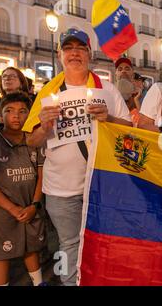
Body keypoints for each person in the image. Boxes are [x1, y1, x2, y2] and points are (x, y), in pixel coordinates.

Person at [23, 28, 131, 286]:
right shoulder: (47, 93)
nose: (74, 53)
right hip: (61, 190)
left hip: (102, 185)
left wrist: (110, 119)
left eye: (80, 48)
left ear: (89, 54)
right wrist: (44, 126)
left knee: (104, 241)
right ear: (60, 55)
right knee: (69, 244)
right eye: (68, 48)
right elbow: (30, 142)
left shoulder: (107, 89)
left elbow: (129, 131)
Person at [0, 93, 45, 286]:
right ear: (0, 113)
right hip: (4, 213)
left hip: (31, 207)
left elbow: (41, 177)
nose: (16, 116)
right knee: (2, 254)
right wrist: (12, 209)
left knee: (31, 247)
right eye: (9, 111)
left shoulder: (34, 142)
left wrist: (34, 205)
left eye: (22, 111)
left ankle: (38, 282)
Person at [0, 67, 30, 135]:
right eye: (4, 76)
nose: (7, 79)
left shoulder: (29, 102)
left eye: (12, 76)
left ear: (21, 83)